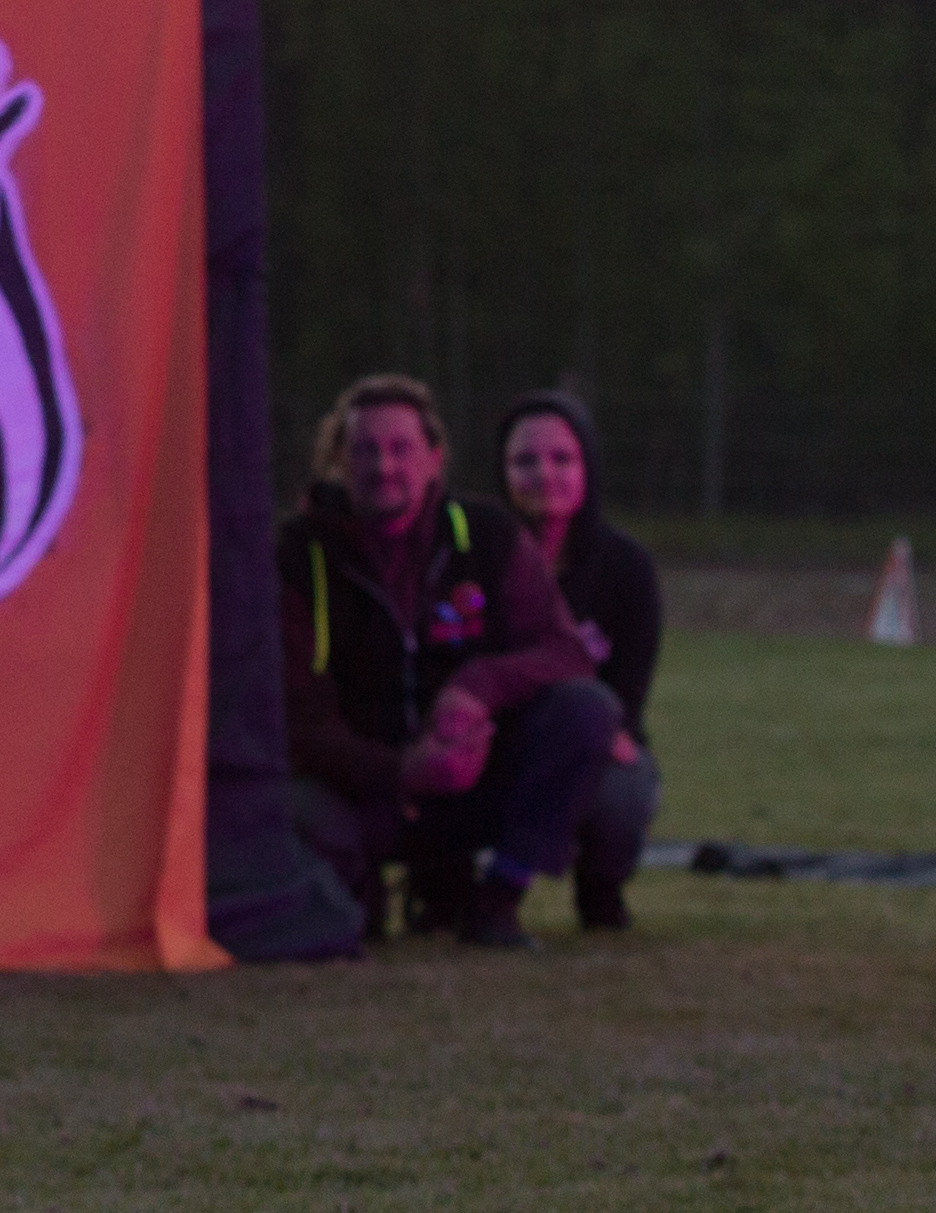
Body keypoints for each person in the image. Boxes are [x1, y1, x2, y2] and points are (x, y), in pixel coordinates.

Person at [276, 375, 625, 948]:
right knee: (293, 813)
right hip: (361, 787)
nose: (384, 467)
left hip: (474, 775)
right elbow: (296, 718)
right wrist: (402, 769)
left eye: (401, 449)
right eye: (364, 450)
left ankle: (499, 900)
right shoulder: (299, 554)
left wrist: (478, 687)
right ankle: (361, 896)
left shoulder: (485, 535)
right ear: (336, 461)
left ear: (435, 459)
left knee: (587, 711)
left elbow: (566, 652)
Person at [497, 390, 662, 929]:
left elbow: (630, 690)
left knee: (624, 782)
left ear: (588, 467)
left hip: (592, 737)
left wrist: (608, 725)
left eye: (562, 458)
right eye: (525, 460)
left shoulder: (626, 569)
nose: (544, 474)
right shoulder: (480, 557)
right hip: (495, 737)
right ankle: (444, 885)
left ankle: (601, 883)